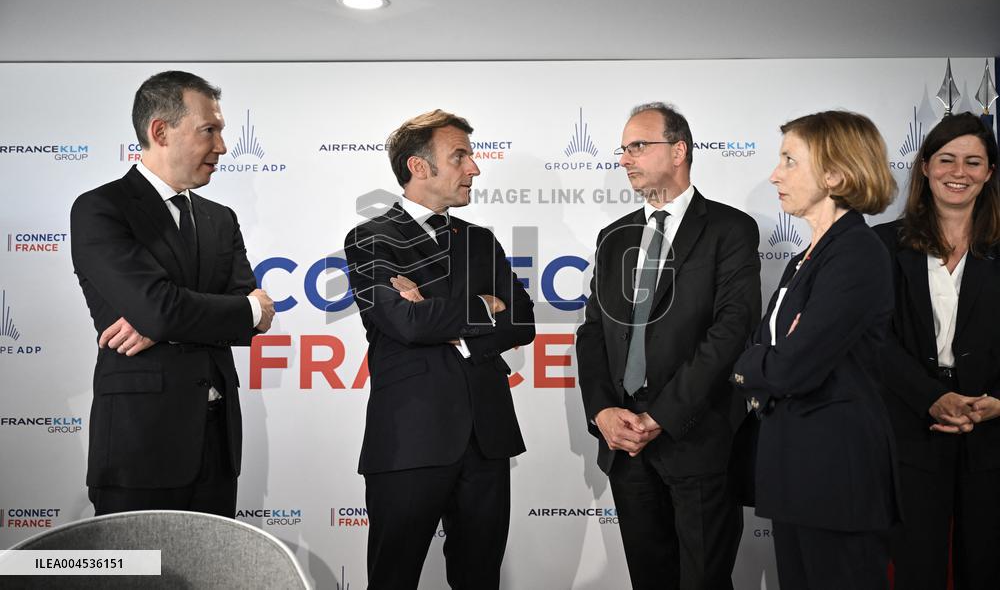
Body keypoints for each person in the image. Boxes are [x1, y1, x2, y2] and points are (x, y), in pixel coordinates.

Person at [343, 109, 535, 590]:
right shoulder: (370, 239)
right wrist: (482, 307)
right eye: (461, 156)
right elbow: (403, 322)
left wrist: (442, 315)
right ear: (419, 167)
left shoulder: (480, 240)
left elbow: (523, 320)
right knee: (393, 578)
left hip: (486, 438)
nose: (474, 168)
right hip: (409, 438)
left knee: (480, 579)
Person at [70, 71, 274, 517]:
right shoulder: (101, 209)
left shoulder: (221, 218)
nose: (221, 146)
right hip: (139, 447)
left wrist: (169, 321)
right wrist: (239, 308)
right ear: (159, 131)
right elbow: (170, 309)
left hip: (217, 447)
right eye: (209, 130)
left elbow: (255, 322)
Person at [576, 102, 761, 590]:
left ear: (678, 150)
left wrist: (662, 415)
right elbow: (593, 331)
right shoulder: (613, 237)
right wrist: (602, 411)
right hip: (624, 442)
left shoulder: (730, 229)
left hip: (695, 436)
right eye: (624, 149)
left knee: (703, 580)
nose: (625, 159)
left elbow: (732, 331)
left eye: (638, 146)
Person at [733, 110, 899, 590]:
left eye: (790, 160)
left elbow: (788, 368)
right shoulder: (807, 257)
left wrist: (759, 362)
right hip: (795, 473)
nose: (774, 174)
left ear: (835, 174)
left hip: (836, 479)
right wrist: (767, 356)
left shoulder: (857, 253)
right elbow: (764, 348)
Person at [873, 112, 1000, 590]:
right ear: (925, 167)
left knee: (986, 567)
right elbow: (873, 340)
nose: (958, 172)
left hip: (991, 432)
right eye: (946, 159)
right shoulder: (883, 245)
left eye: (973, 161)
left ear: (989, 173)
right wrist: (930, 395)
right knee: (916, 568)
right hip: (911, 428)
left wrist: (997, 402)